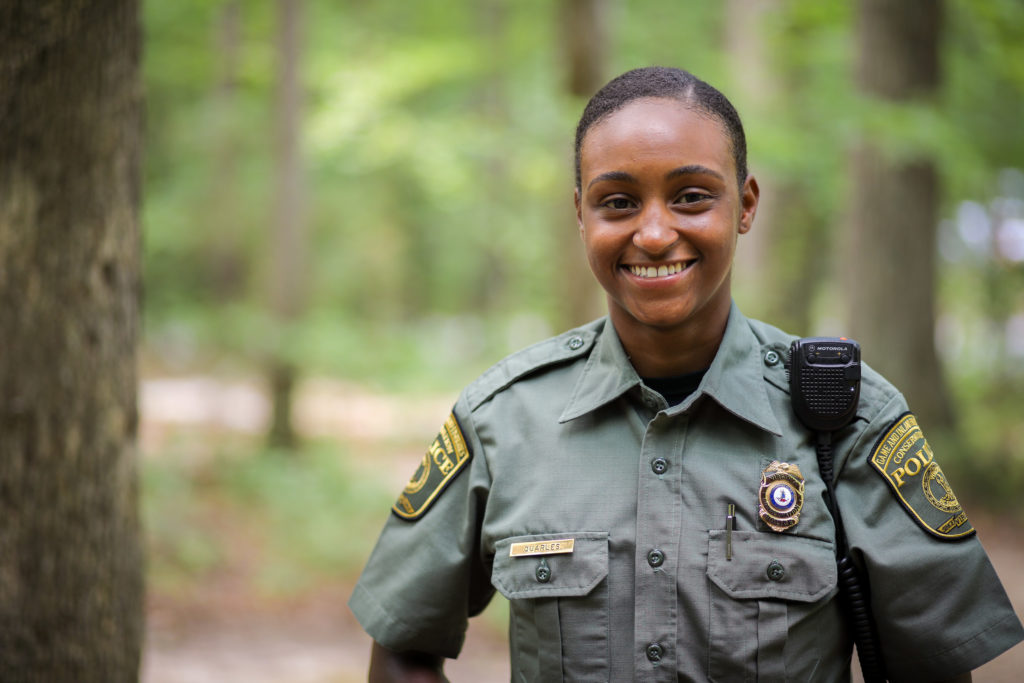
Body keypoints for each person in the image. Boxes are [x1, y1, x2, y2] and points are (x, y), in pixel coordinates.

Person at [348, 66, 1024, 682]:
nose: (652, 232)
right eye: (617, 202)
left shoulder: (850, 418)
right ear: (579, 213)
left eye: (692, 196)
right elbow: (404, 644)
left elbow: (932, 665)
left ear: (747, 204)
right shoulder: (502, 420)